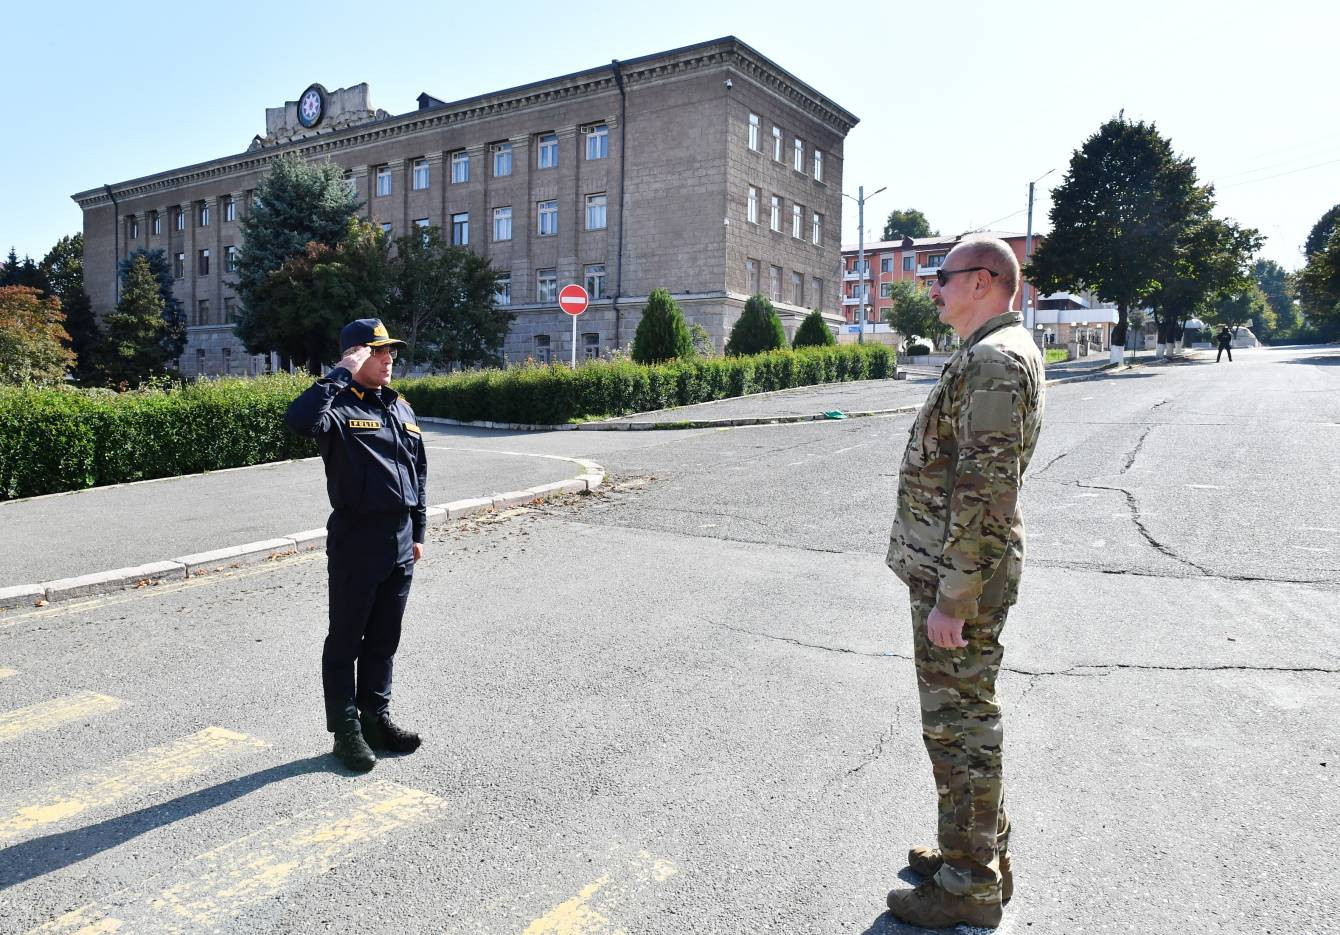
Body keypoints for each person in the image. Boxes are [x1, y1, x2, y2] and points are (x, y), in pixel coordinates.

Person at [884, 237, 1045, 929]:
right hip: (959, 570)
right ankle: (974, 853)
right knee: (964, 724)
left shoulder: (993, 361)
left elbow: (986, 490)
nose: (935, 289)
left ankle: (968, 884)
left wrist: (952, 599)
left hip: (961, 582)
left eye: (943, 277)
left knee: (961, 731)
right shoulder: (993, 351)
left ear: (984, 281)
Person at [286, 318, 428, 772]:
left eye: (391, 352)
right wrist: (340, 372)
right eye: (378, 351)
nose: (389, 359)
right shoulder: (336, 404)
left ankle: (375, 718)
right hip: (357, 538)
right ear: (355, 355)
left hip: (401, 538)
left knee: (385, 638)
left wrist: (419, 532)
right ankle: (345, 730)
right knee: (346, 639)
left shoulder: (399, 406)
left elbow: (418, 470)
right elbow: (298, 421)